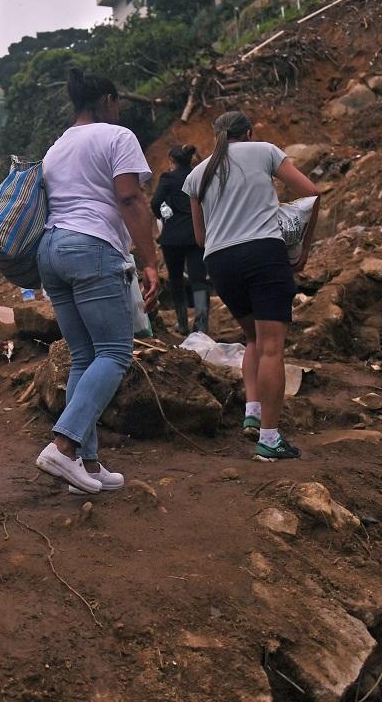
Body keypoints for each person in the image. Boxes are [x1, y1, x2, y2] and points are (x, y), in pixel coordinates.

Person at [34, 70, 160, 496]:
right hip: (92, 246)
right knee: (114, 352)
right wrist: (150, 260)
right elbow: (129, 198)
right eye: (117, 101)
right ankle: (62, 446)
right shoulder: (117, 136)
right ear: (108, 100)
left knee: (84, 357)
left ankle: (86, 464)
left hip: (51, 251)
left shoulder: (57, 146)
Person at [183, 111, 320, 460]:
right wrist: (302, 247)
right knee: (273, 346)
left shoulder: (197, 174)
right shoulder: (265, 151)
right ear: (249, 131)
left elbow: (200, 237)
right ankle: (270, 440)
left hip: (219, 262)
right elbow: (311, 193)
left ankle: (253, 413)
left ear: (217, 135)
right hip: (263, 253)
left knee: (254, 339)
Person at [151, 144, 210, 334]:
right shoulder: (198, 175)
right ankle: (201, 324)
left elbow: (155, 202)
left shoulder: (168, 178)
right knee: (198, 278)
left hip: (173, 237)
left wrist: (162, 216)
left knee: (176, 279)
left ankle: (182, 323)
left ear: (172, 161)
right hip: (196, 234)